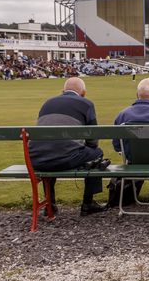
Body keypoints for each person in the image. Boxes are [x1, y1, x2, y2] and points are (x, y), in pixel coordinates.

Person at [29, 77, 107, 216]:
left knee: (52, 150)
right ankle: (88, 203)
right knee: (97, 153)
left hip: (37, 158)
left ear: (63, 91)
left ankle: (50, 204)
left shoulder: (47, 103)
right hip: (65, 158)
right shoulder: (86, 104)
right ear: (83, 93)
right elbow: (93, 142)